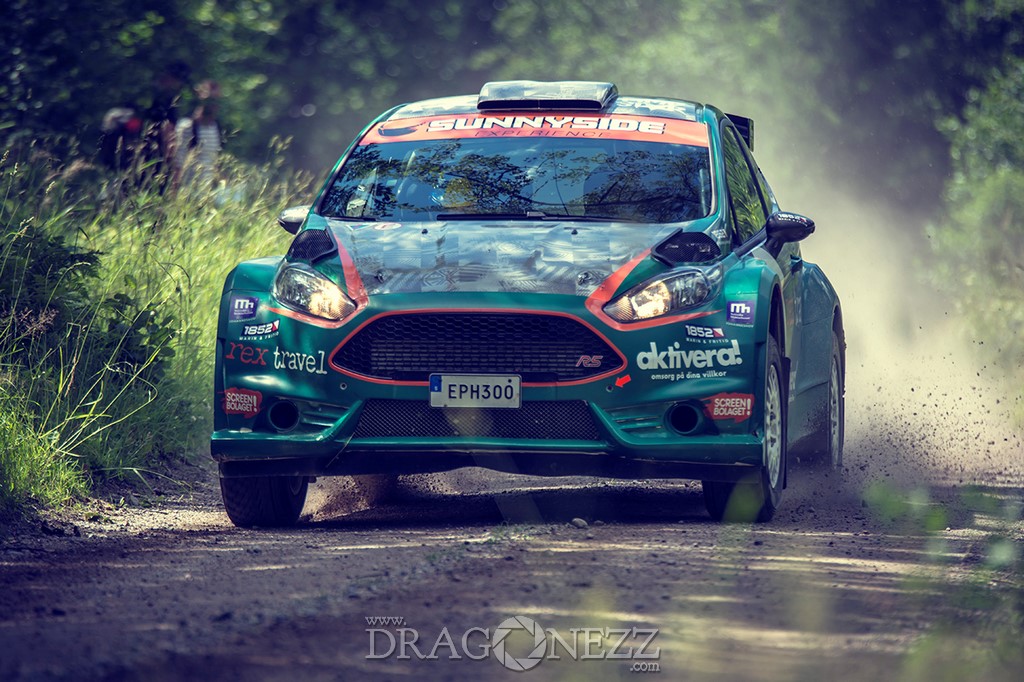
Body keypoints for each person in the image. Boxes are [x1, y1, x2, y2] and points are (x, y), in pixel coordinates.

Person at [175, 79, 224, 187]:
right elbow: (179, 162)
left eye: (216, 100)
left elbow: (214, 161)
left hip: (206, 189)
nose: (213, 105)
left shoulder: (215, 127)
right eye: (210, 100)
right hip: (187, 188)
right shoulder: (187, 126)